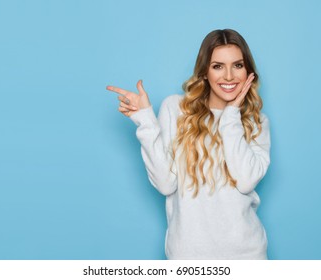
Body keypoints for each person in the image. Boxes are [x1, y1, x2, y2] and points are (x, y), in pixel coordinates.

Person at [107, 29, 270, 260]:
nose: (229, 76)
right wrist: (145, 120)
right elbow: (165, 183)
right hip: (188, 258)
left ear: (248, 72)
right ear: (204, 72)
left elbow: (245, 181)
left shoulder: (257, 122)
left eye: (237, 65)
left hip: (247, 257)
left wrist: (231, 115)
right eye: (217, 66)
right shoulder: (176, 109)